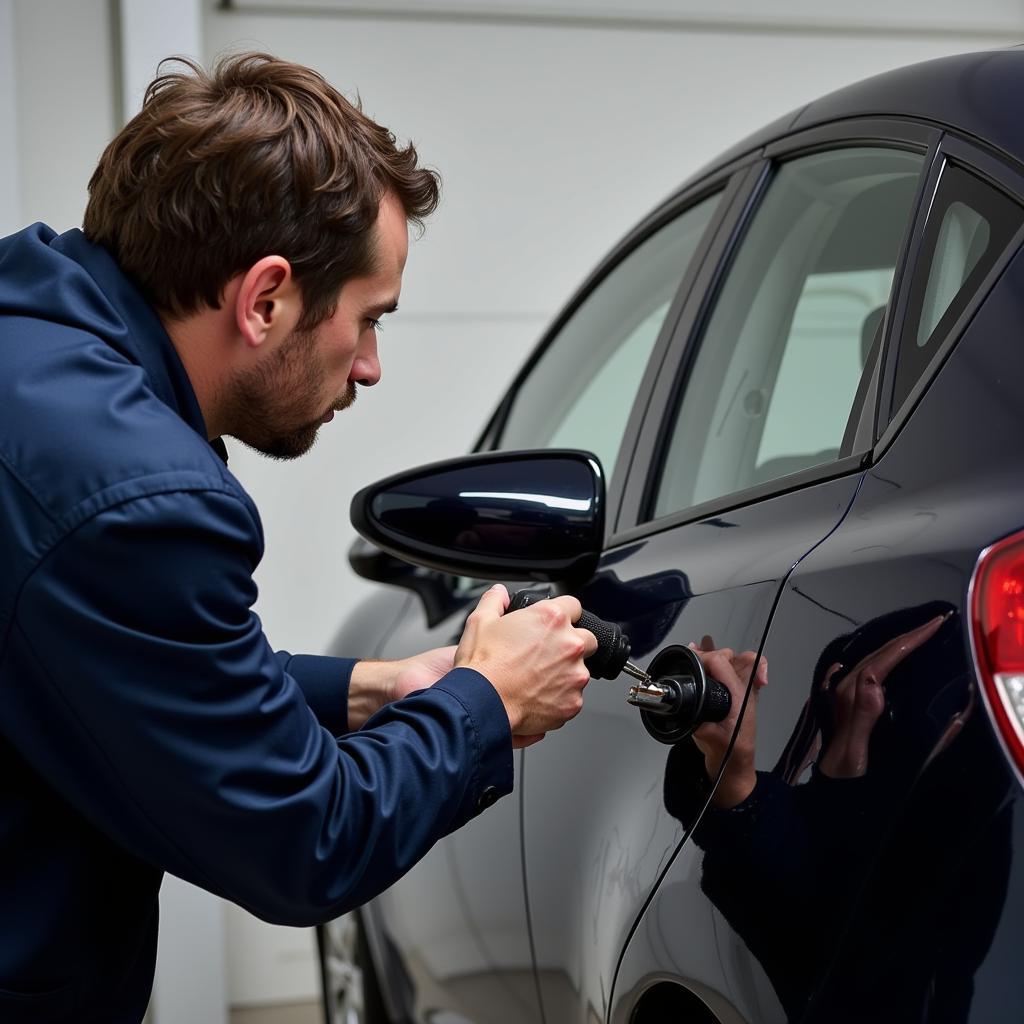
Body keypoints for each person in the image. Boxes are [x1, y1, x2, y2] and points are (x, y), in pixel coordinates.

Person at [0, 52, 597, 1022]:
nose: (368, 368)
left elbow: (97, 658)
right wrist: (487, 701)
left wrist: (371, 688)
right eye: (368, 320)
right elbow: (302, 841)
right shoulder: (131, 500)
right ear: (266, 297)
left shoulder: (30, 337)